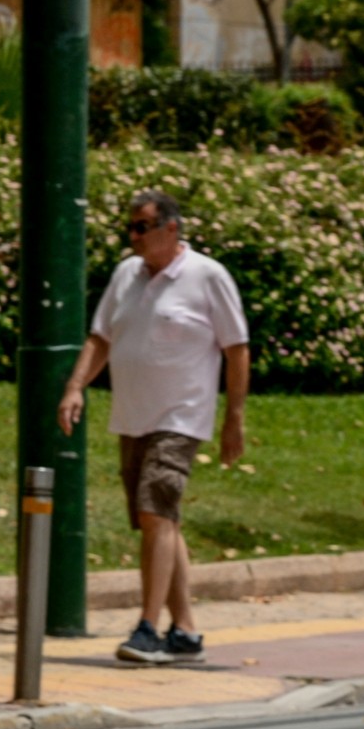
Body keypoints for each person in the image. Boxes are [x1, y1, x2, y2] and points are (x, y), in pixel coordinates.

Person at [57, 188, 251, 665]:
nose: (134, 236)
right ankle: (185, 631)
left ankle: (147, 628)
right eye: (130, 227)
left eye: (142, 227)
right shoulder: (127, 275)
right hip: (133, 417)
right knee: (160, 520)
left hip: (180, 418)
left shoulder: (207, 276)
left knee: (155, 515)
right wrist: (76, 386)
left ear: (171, 229)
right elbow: (101, 337)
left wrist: (234, 419)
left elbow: (237, 348)